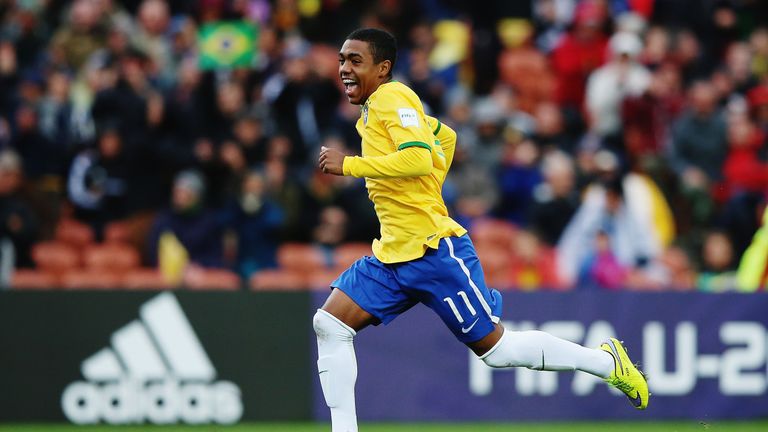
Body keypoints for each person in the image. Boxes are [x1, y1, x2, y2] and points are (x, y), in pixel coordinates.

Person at [314, 28, 649, 432]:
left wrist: (349, 165)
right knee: (331, 324)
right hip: (393, 254)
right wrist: (426, 188)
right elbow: (445, 138)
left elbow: (418, 159)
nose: (344, 69)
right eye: (341, 60)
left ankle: (605, 362)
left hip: (433, 250)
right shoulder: (376, 108)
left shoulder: (391, 97)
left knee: (497, 350)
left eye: (355, 61)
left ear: (383, 68)